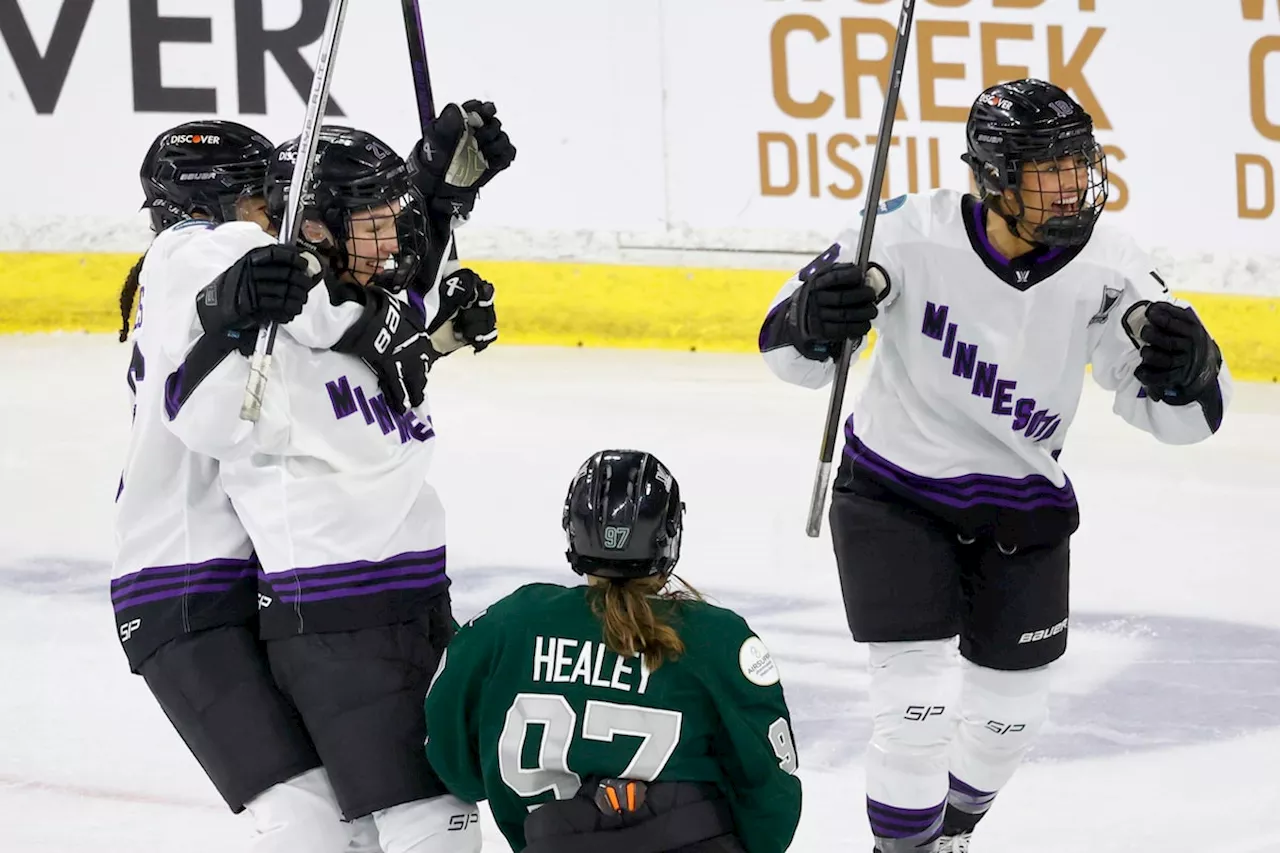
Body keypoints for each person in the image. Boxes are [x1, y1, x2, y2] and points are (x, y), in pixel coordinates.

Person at [758, 79, 1232, 853]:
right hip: (893, 489)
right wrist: (815, 319)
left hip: (1022, 504)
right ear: (987, 178)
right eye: (1046, 169)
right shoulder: (904, 231)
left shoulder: (1111, 264)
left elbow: (1181, 422)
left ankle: (950, 833)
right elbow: (787, 353)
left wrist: (1187, 372)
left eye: (1077, 164)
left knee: (1010, 718)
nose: (1070, 187)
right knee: (910, 711)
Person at [161, 113, 515, 853]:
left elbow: (391, 316)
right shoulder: (277, 318)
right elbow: (195, 415)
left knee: (391, 829)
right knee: (432, 827)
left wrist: (441, 203)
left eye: (395, 221)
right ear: (313, 228)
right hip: (340, 612)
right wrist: (229, 319)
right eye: (374, 224)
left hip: (402, 601)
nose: (392, 243)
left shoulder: (358, 310)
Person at [111, 120, 381, 852]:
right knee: (306, 815)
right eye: (262, 200)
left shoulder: (175, 273)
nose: (275, 213)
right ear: (216, 203)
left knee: (350, 815)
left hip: (225, 579)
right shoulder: (194, 251)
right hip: (184, 585)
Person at [424, 449, 803, 853]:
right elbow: (770, 796)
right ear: (669, 533)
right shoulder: (716, 637)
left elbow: (452, 763)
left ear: (573, 529)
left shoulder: (509, 624)